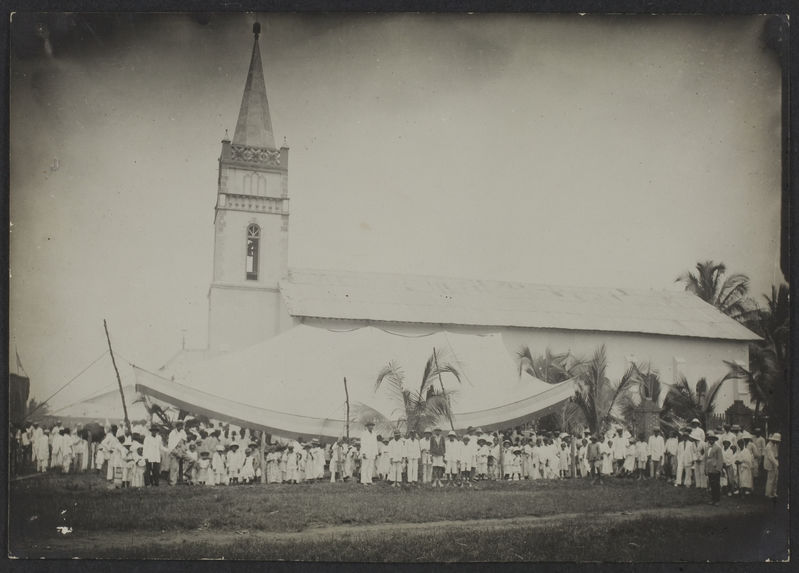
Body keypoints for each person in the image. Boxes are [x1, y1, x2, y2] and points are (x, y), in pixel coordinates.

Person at [704, 431, 724, 505]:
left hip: (715, 469)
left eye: (712, 439)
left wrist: (718, 469)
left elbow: (720, 459)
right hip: (709, 469)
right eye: (709, 439)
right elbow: (706, 459)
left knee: (716, 484)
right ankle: (713, 499)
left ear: (715, 440)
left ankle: (717, 500)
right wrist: (705, 469)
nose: (711, 440)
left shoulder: (718, 448)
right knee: (711, 484)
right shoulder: (707, 448)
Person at [359, 420, 379, 485]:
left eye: (372, 426)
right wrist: (363, 453)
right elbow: (363, 444)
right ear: (367, 427)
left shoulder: (374, 434)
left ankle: (369, 480)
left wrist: (376, 453)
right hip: (366, 452)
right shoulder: (364, 433)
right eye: (369, 426)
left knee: (371, 467)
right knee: (365, 467)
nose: (371, 427)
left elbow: (375, 444)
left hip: (372, 452)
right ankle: (363, 481)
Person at [763, 433, 780, 500]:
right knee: (770, 479)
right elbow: (771, 457)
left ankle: (774, 492)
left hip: (774, 462)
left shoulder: (775, 445)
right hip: (770, 464)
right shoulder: (768, 446)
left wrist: (776, 463)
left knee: (776, 478)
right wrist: (777, 464)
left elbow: (776, 455)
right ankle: (768, 493)